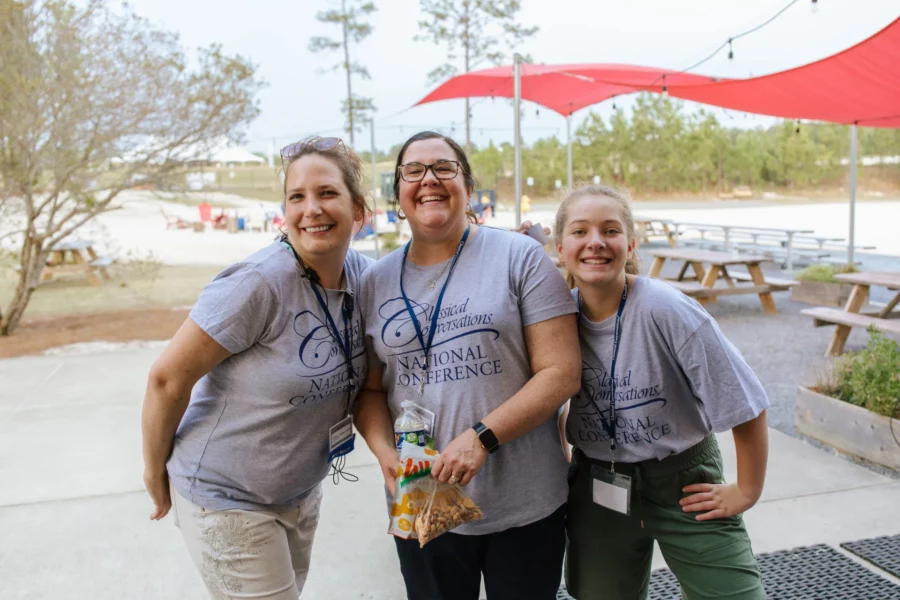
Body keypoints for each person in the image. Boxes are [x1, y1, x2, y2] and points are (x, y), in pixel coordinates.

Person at [353, 131, 582, 600]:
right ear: (398, 193)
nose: (428, 180)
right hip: (421, 500)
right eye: (412, 171)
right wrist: (385, 456)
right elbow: (371, 390)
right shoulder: (374, 281)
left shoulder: (519, 258)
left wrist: (483, 436)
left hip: (524, 503)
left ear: (468, 187)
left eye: (444, 168)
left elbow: (561, 371)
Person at [141, 137, 372, 599]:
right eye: (297, 197)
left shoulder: (364, 278)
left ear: (359, 210)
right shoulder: (257, 284)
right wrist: (153, 473)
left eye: (327, 193)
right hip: (226, 496)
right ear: (284, 212)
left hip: (299, 492)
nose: (312, 209)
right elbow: (167, 380)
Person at [555, 184, 769, 600]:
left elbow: (745, 402)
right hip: (600, 481)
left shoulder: (665, 309)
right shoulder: (556, 317)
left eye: (610, 230)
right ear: (560, 247)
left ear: (630, 243)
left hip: (683, 481)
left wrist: (746, 491)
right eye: (580, 232)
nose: (595, 242)